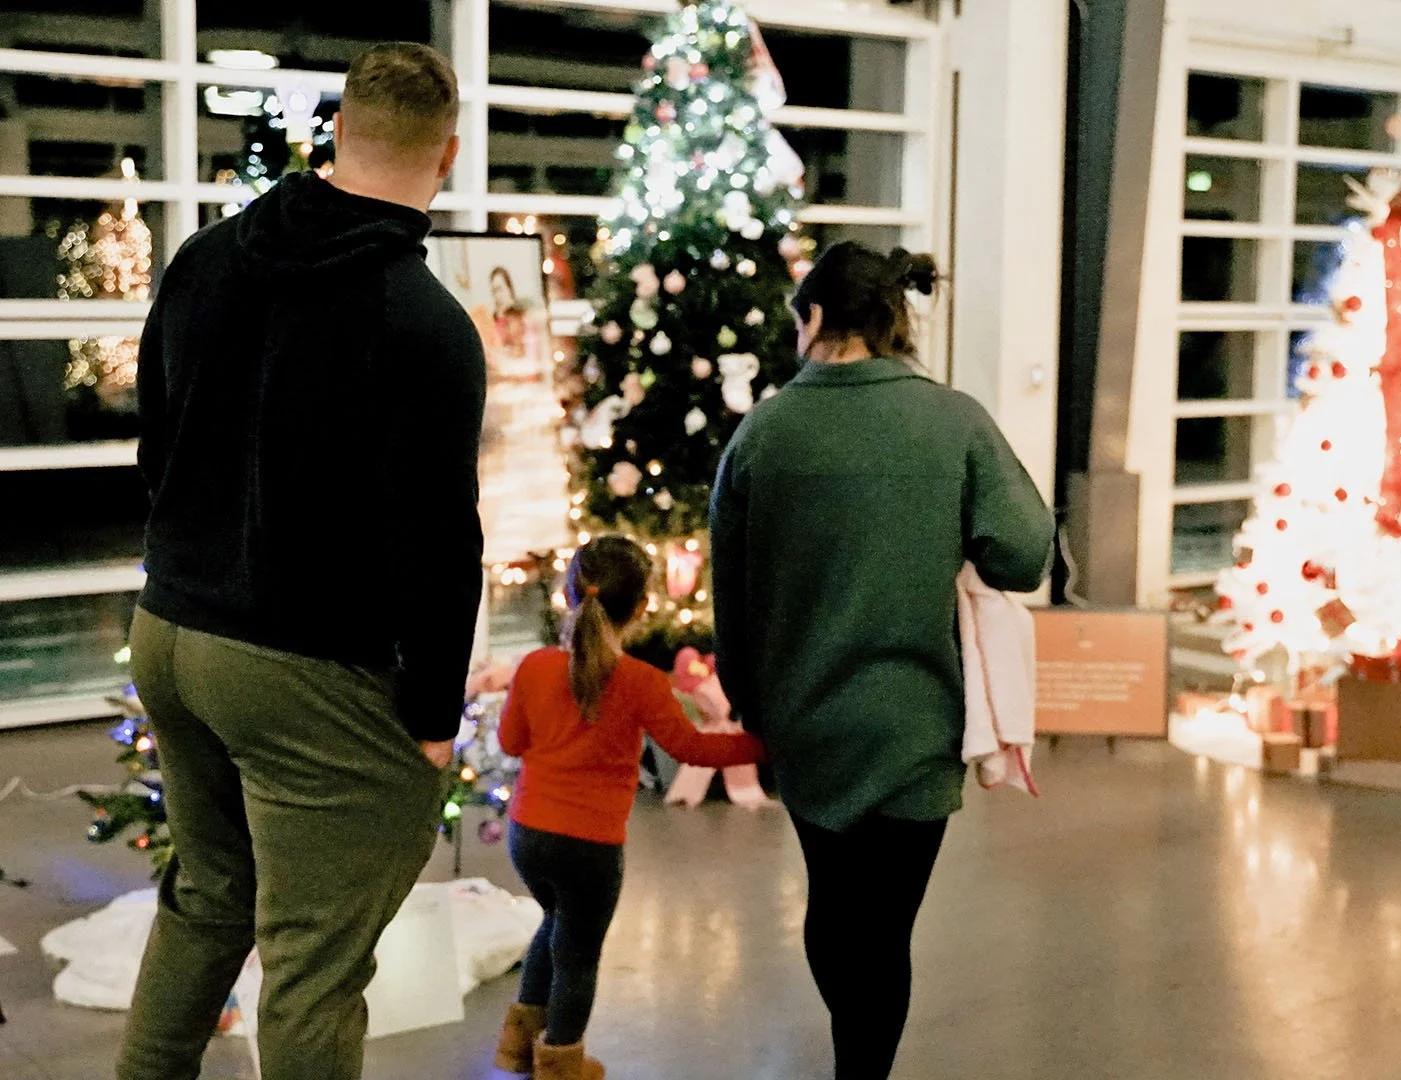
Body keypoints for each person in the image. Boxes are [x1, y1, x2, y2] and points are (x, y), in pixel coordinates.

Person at [120, 43, 484, 1080]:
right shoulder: (425, 324)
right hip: (296, 667)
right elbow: (438, 543)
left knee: (207, 898)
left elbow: (157, 440)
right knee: (316, 961)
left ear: (337, 135)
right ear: (446, 155)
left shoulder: (203, 260)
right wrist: (433, 719)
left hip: (169, 633)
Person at [710, 242, 1055, 1080]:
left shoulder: (765, 430)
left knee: (833, 913)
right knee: (886, 929)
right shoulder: (954, 418)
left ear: (817, 318)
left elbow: (733, 596)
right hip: (916, 728)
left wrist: (750, 701)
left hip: (807, 726)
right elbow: (1023, 555)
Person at [491, 537, 765, 1080]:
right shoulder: (640, 682)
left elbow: (510, 743)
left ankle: (518, 1044)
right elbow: (692, 748)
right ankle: (561, 1065)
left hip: (527, 836)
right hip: (589, 848)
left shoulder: (534, 667)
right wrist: (765, 744)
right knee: (578, 955)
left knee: (555, 922)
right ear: (642, 607)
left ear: (568, 597)